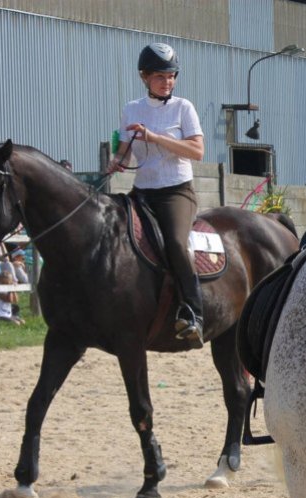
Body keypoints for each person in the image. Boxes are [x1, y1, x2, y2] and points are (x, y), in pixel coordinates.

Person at [108, 42, 205, 346]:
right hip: (142, 192)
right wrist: (117, 162)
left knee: (175, 243)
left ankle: (193, 312)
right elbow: (124, 151)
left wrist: (156, 137)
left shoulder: (183, 108)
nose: (168, 82)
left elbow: (197, 151)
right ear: (144, 76)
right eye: (161, 76)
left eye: (172, 76)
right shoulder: (131, 109)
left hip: (176, 192)